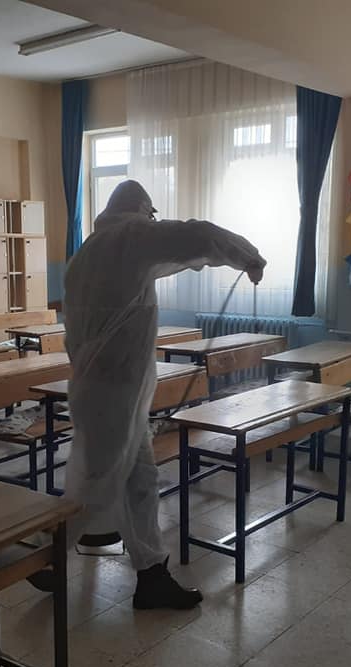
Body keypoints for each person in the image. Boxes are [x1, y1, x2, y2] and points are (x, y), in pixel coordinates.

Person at [37, 180, 266, 610]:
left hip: (100, 391)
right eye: (151, 214)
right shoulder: (132, 237)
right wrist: (248, 256)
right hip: (115, 393)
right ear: (142, 209)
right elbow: (197, 235)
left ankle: (151, 575)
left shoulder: (87, 254)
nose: (152, 221)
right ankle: (45, 556)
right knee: (96, 485)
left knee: (139, 481)